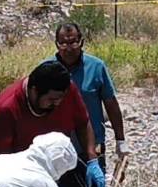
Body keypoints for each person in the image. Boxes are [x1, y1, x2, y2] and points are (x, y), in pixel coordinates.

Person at [0, 61, 111, 187]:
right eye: (51, 100)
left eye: (60, 99)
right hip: (25, 178)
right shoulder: (4, 109)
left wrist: (92, 160)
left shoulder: (65, 90)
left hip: (61, 163)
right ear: (34, 91)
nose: (58, 104)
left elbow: (82, 123)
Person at [45, 22, 128, 171]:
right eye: (63, 43)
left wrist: (120, 140)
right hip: (57, 148)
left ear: (81, 42)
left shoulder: (96, 67)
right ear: (56, 44)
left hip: (93, 146)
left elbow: (111, 104)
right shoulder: (46, 69)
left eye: (73, 42)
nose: (69, 48)